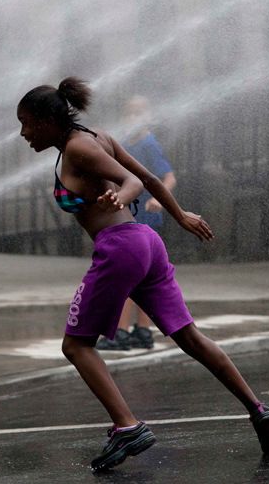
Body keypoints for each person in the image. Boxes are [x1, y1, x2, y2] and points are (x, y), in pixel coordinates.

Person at [17, 78, 269, 472]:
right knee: (189, 336)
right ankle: (258, 410)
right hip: (146, 243)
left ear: (46, 121)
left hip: (120, 247)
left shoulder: (78, 147)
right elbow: (153, 179)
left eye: (26, 123)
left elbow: (135, 182)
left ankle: (127, 426)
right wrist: (180, 216)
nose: (23, 134)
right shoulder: (98, 137)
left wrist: (122, 197)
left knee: (75, 346)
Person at [96, 95, 176, 351]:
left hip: (144, 221)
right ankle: (142, 332)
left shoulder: (148, 143)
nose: (133, 117)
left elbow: (169, 177)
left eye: (139, 112)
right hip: (131, 218)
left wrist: (158, 199)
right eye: (129, 113)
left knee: (125, 277)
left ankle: (119, 333)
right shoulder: (126, 145)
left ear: (148, 116)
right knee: (142, 280)